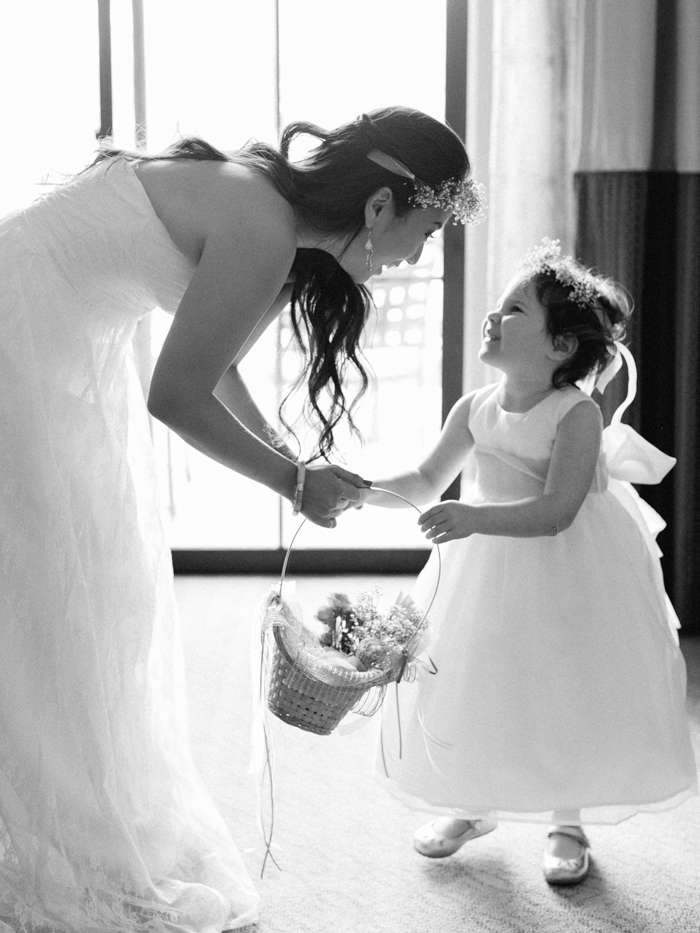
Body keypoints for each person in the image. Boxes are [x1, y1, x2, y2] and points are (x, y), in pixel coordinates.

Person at [0, 106, 484, 932]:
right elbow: (175, 395)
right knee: (57, 592)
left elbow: (215, 369)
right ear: (379, 208)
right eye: (428, 230)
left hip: (47, 340)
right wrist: (297, 484)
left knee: (86, 594)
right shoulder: (259, 223)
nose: (417, 256)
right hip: (21, 341)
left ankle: (60, 813)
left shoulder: (272, 221)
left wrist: (288, 456)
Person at [360, 239, 697, 885]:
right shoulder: (475, 406)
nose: (493, 316)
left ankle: (567, 818)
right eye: (498, 304)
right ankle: (472, 801)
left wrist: (474, 517)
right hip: (488, 560)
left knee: (563, 677)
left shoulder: (574, 413)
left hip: (567, 562)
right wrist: (359, 489)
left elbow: (558, 511)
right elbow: (429, 477)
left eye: (513, 309)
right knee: (479, 670)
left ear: (560, 347)